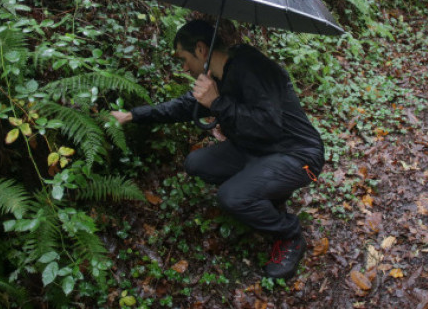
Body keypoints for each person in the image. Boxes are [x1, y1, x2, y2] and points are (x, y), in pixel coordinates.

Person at [110, 19, 325, 279]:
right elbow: (182, 106)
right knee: (196, 163)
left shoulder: (253, 68)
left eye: (184, 58)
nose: (184, 67)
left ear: (201, 50)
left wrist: (218, 103)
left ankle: (289, 233)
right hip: (256, 149)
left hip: (299, 155)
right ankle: (266, 194)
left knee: (231, 197)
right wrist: (132, 115)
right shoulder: (216, 76)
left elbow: (269, 125)